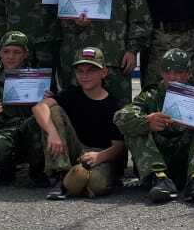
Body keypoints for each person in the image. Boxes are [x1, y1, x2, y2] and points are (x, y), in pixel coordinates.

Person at [114, 49, 194, 204]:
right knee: (135, 128)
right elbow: (120, 117)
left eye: (178, 72)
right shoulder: (151, 95)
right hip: (158, 159)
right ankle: (160, 179)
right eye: (167, 72)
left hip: (187, 160)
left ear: (189, 74)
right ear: (161, 73)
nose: (173, 77)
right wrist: (147, 121)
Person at [33, 47, 127, 200]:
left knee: (96, 184)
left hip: (100, 154)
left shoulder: (113, 105)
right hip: (76, 149)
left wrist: (99, 157)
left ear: (104, 73)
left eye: (91, 71)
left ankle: (79, 179)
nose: (85, 76)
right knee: (54, 110)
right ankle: (60, 175)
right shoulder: (72, 94)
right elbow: (39, 107)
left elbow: (118, 147)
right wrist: (53, 133)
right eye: (80, 71)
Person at [0, 31, 46, 186]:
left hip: (31, 129)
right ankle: (7, 168)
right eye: (6, 51)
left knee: (40, 131)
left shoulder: (38, 79)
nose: (11, 56)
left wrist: (48, 101)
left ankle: (37, 169)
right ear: (0, 53)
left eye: (17, 52)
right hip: (5, 131)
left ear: (25, 54)